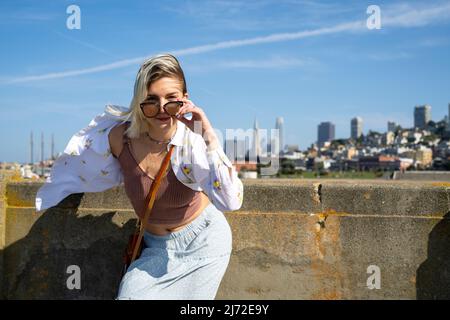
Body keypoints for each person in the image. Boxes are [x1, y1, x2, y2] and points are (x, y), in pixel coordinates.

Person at [35, 53, 244, 300]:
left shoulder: (193, 141)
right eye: (151, 101)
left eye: (172, 99)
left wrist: (207, 132)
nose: (162, 110)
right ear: (139, 102)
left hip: (203, 243)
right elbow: (79, 161)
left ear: (185, 100)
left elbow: (231, 201)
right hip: (155, 247)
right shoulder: (119, 138)